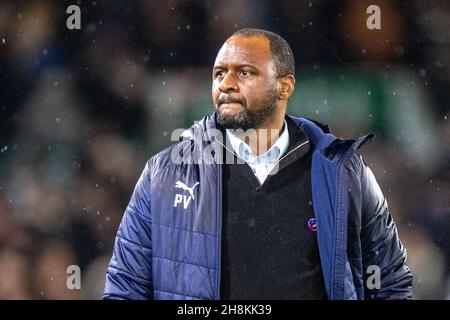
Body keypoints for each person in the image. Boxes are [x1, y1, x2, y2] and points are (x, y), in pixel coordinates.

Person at [103, 28, 413, 300]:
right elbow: (125, 287)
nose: (226, 84)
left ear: (285, 86)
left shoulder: (343, 171)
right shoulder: (164, 174)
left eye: (244, 72)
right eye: (219, 73)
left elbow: (389, 279)